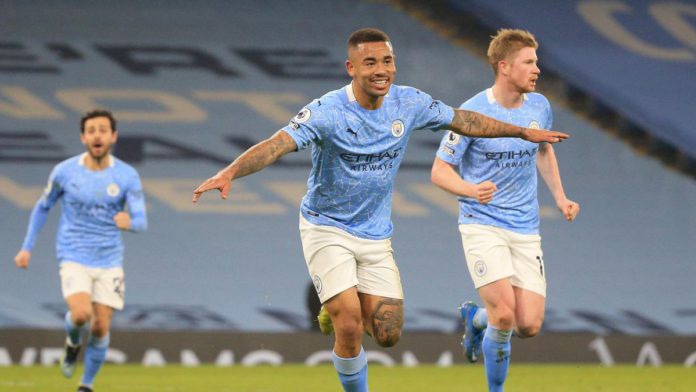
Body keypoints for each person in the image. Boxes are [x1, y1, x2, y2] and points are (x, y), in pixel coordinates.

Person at [192, 28, 568, 392]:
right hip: (327, 227)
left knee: (388, 333)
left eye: (387, 61)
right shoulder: (328, 111)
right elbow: (277, 144)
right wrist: (230, 172)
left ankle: (340, 307)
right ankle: (341, 315)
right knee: (350, 324)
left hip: (375, 234)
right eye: (370, 62)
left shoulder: (409, 103)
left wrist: (520, 132)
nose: (381, 70)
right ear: (351, 68)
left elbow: (463, 120)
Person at [431, 29, 580, 391]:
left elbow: (544, 150)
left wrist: (560, 196)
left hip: (525, 228)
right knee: (505, 315)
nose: (537, 70)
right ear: (504, 67)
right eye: (529, 62)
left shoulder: (538, 107)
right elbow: (438, 171)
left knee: (527, 325)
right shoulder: (471, 113)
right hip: (482, 224)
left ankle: (475, 319)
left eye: (536, 62)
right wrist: (470, 190)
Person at [14, 109, 147, 392]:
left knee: (100, 327)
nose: (97, 135)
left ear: (113, 136)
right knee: (80, 315)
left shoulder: (126, 175)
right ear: (83, 137)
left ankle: (85, 385)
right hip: (73, 254)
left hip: (110, 259)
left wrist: (130, 223)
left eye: (102, 129)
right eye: (91, 130)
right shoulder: (65, 172)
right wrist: (27, 248)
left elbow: (141, 221)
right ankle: (73, 342)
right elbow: (43, 206)